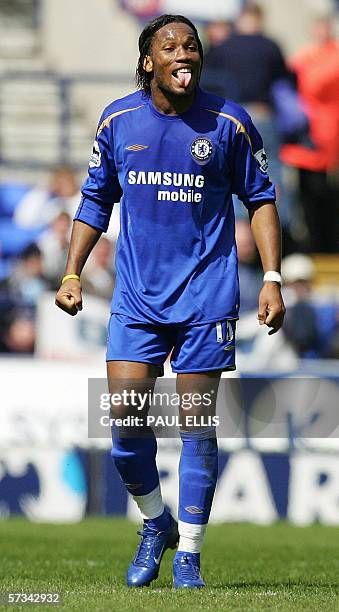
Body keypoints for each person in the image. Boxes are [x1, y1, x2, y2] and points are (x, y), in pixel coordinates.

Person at [55, 14, 285, 589]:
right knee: (127, 423)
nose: (184, 53)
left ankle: (190, 556)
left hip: (207, 297)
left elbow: (260, 199)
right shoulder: (118, 119)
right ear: (147, 61)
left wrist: (273, 277)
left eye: (192, 46)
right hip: (137, 299)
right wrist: (72, 271)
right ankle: (156, 523)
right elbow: (93, 200)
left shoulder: (231, 123)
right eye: (170, 46)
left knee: (195, 428)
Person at [281, 16, 339, 252]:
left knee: (327, 196)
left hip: (327, 135)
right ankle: (318, 246)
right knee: (309, 196)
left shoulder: (322, 57)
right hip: (308, 138)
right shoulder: (305, 57)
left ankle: (328, 246)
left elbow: (315, 83)